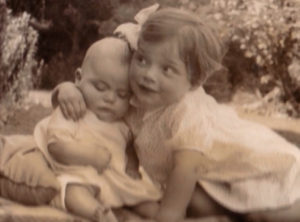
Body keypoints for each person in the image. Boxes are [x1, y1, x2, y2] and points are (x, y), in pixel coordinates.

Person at [51, 6, 300, 222]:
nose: (149, 74)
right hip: (218, 180)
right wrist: (67, 90)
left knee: (264, 216)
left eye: (167, 69)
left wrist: (167, 216)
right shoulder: (137, 93)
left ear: (193, 81)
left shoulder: (187, 111)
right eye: (142, 60)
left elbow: (186, 169)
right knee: (196, 202)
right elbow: (96, 80)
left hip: (269, 169)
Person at [34, 37, 161, 222]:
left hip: (115, 182)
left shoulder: (122, 123)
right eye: (100, 87)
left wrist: (132, 168)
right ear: (78, 78)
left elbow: (129, 148)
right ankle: (99, 214)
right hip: (78, 175)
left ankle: (163, 214)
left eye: (122, 94)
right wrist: (89, 155)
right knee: (71, 190)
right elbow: (56, 146)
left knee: (144, 199)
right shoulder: (74, 110)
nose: (110, 98)